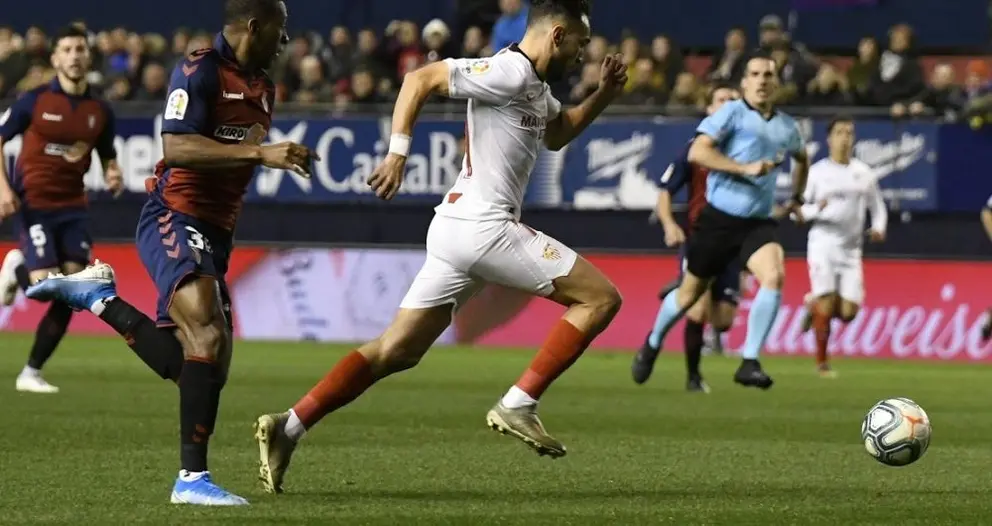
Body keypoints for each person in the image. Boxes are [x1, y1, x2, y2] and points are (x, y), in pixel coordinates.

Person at [252, 0, 625, 495]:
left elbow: (558, 134)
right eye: (580, 43)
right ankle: (519, 402)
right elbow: (419, 79)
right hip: (485, 227)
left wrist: (603, 94)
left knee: (395, 350)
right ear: (557, 35)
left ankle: (290, 426)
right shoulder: (508, 71)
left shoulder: (534, 86)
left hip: (457, 231)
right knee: (600, 298)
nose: (583, 54)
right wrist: (398, 154)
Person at [25, 0, 316, 505]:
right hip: (174, 215)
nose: (285, 40)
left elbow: (233, 160)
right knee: (207, 333)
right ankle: (191, 480)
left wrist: (264, 157)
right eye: (280, 29)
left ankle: (99, 300)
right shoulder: (198, 70)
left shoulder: (264, 88)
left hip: (217, 232)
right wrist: (260, 153)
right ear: (254, 27)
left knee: (204, 369)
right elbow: (177, 148)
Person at [632, 55, 810, 390]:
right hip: (718, 221)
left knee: (774, 276)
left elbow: (802, 157)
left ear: (777, 82)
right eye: (755, 74)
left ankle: (750, 361)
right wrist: (745, 168)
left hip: (756, 223)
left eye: (768, 74)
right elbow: (697, 152)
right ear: (745, 82)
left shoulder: (787, 126)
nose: (762, 80)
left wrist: (798, 197)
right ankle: (653, 342)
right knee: (688, 297)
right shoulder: (731, 113)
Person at [0, 26, 123, 394]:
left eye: (80, 49)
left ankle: (31, 373)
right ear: (55, 58)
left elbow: (108, 155)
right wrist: (3, 188)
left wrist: (113, 172)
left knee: (75, 293)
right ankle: (17, 267)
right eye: (66, 49)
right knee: (44, 287)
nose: (74, 56)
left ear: (89, 57)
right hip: (34, 203)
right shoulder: (34, 101)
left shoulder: (99, 110)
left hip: (73, 208)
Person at [639, 83, 741, 393]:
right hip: (701, 236)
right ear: (709, 109)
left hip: (733, 241)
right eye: (721, 99)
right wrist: (669, 224)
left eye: (733, 100)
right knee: (698, 309)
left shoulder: (747, 149)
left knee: (723, 320)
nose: (727, 104)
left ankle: (679, 289)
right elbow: (665, 192)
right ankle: (693, 377)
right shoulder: (694, 149)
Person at [795, 117, 886, 377]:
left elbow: (877, 207)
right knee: (826, 302)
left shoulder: (864, 173)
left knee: (848, 312)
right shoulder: (817, 172)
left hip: (851, 249)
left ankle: (812, 305)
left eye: (849, 133)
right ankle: (822, 363)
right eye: (839, 133)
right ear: (829, 139)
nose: (845, 138)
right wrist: (816, 209)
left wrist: (879, 227)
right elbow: (797, 211)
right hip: (823, 243)